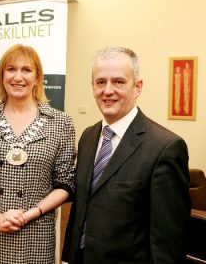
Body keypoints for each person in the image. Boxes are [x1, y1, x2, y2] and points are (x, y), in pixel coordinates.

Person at [62, 46, 191, 264]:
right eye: (100, 82)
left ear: (137, 87)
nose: (108, 90)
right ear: (92, 86)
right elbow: (81, 209)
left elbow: (168, 241)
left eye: (119, 82)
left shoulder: (165, 147)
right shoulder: (88, 136)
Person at [0, 44, 76, 263]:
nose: (18, 77)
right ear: (1, 75)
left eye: (26, 70)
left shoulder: (60, 122)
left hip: (36, 234)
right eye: (11, 69)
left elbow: (65, 183)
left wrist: (28, 215)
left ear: (37, 77)